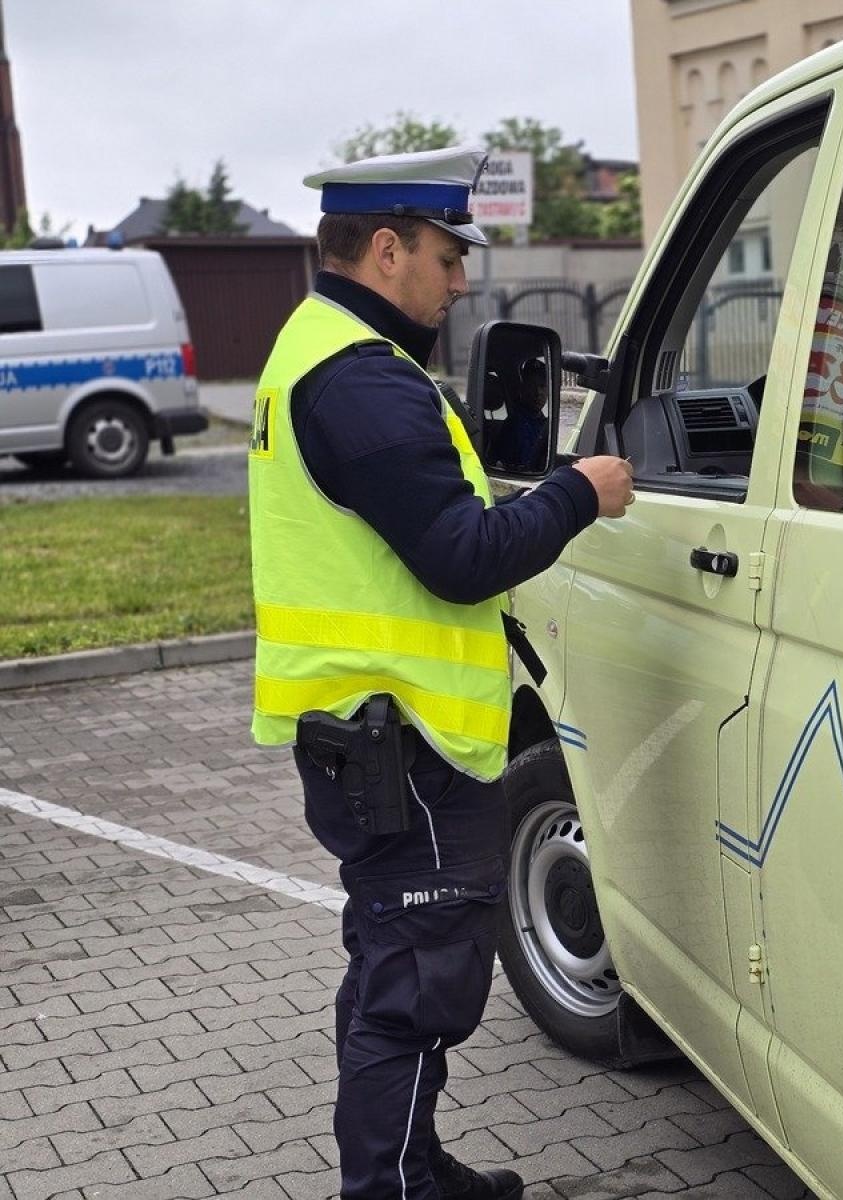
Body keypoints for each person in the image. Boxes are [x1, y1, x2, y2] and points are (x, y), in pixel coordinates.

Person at [247, 146, 633, 1200]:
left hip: (369, 729)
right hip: (404, 741)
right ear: (386, 248)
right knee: (413, 985)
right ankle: (389, 1190)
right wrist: (577, 492)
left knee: (393, 969)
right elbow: (461, 557)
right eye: (446, 255)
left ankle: (410, 1168)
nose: (460, 280)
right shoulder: (361, 379)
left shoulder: (320, 348)